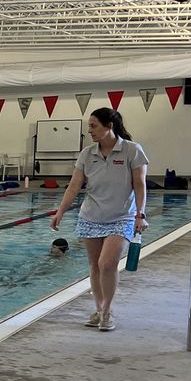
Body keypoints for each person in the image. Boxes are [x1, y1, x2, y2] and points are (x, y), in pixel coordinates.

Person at [50, 107, 149, 332]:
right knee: (95, 266)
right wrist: (60, 211)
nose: (90, 131)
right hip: (91, 215)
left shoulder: (132, 151)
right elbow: (75, 185)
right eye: (89, 126)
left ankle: (107, 310)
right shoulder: (87, 153)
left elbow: (140, 184)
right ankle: (98, 309)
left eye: (94, 126)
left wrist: (140, 214)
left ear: (109, 126)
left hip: (122, 216)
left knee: (107, 264)